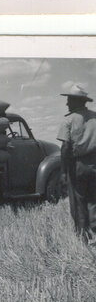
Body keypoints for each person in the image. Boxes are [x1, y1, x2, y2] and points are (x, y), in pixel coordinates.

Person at [57, 84, 96, 243]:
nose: (66, 103)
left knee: (78, 201)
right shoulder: (95, 116)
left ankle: (83, 237)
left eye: (68, 99)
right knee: (94, 200)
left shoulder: (69, 120)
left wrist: (64, 172)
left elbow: (65, 147)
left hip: (77, 165)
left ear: (75, 101)